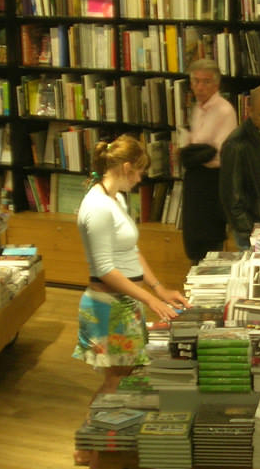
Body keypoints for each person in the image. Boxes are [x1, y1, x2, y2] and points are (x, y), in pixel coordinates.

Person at [74, 134, 189, 394]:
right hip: (110, 306)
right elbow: (104, 269)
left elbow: (131, 252)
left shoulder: (116, 199)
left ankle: (108, 430)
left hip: (124, 303)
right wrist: (151, 300)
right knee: (116, 380)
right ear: (126, 168)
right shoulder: (98, 207)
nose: (139, 180)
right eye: (138, 173)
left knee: (124, 376)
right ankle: (95, 432)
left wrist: (159, 289)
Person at [180, 58, 236, 264]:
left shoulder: (224, 110)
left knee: (209, 242)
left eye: (206, 82)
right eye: (196, 81)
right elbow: (193, 150)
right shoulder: (197, 108)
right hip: (195, 180)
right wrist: (196, 153)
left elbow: (219, 154)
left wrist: (194, 153)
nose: (200, 87)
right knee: (193, 240)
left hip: (213, 182)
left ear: (217, 84)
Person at [219, 83, 260, 250]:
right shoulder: (236, 145)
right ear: (250, 111)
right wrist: (252, 233)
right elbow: (232, 200)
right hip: (255, 235)